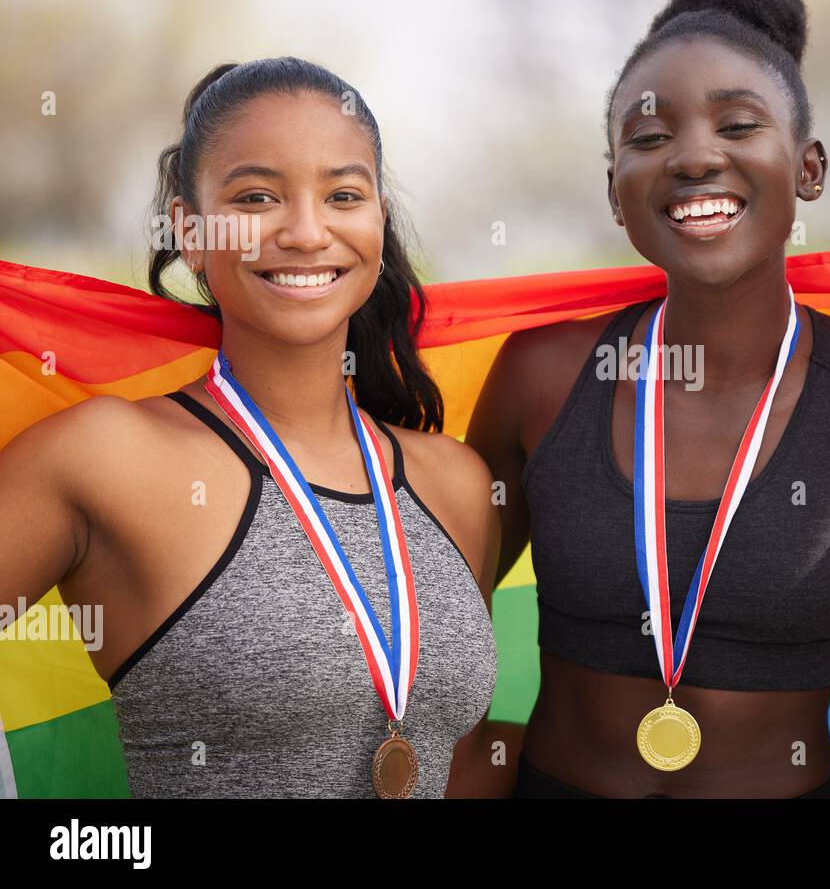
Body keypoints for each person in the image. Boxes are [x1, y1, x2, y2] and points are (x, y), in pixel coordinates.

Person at [467, 0, 830, 798]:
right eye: (649, 136)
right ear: (614, 191)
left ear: (809, 169)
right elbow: (427, 652)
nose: (695, 155)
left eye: (738, 124)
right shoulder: (541, 378)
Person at [0, 57, 511, 798]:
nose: (306, 232)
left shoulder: (455, 480)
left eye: (342, 194)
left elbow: (460, 762)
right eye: (257, 196)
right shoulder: (102, 457)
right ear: (190, 230)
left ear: (378, 221)